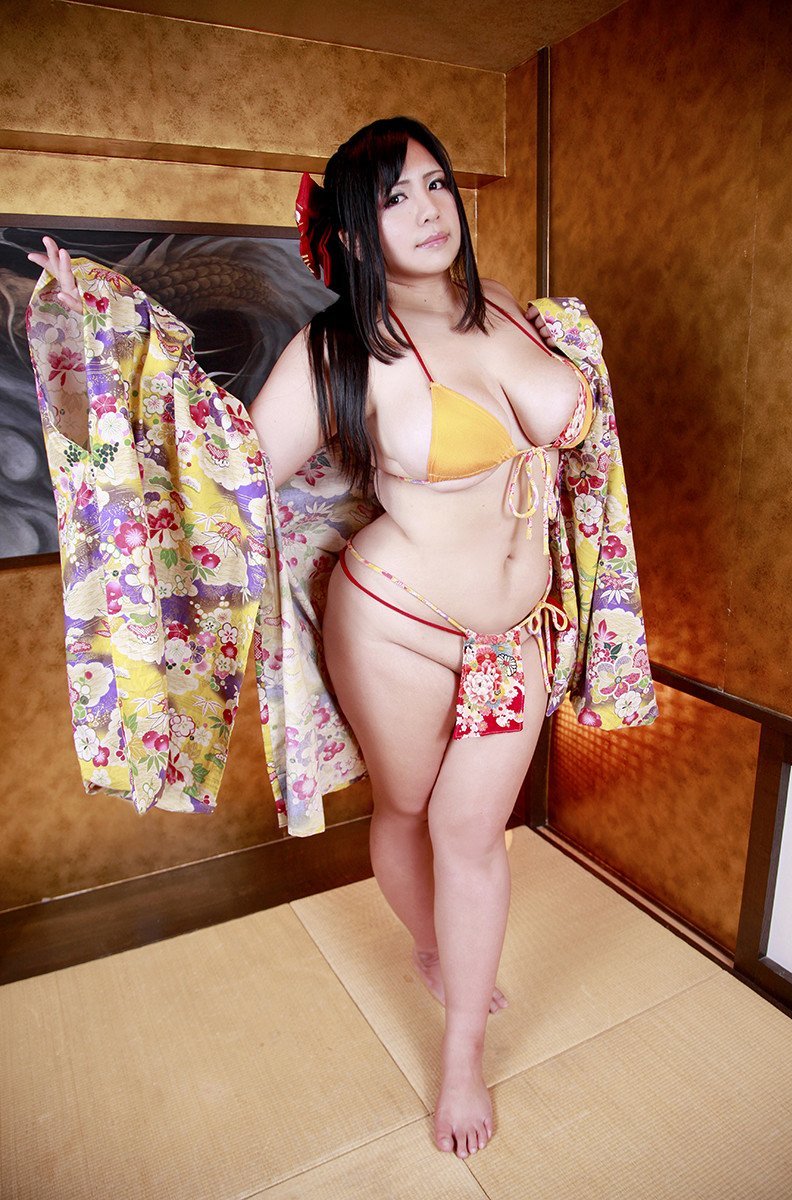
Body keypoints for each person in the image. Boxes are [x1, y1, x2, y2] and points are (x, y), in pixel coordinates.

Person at [28, 115, 652, 1161]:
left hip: (518, 632)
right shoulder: (336, 352)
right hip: (397, 625)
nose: (428, 210)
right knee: (410, 812)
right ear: (354, 233)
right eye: (394, 198)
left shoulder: (509, 308)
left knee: (471, 832)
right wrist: (109, 334)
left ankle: (460, 1045)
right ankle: (437, 973)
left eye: (436, 184)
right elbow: (227, 470)